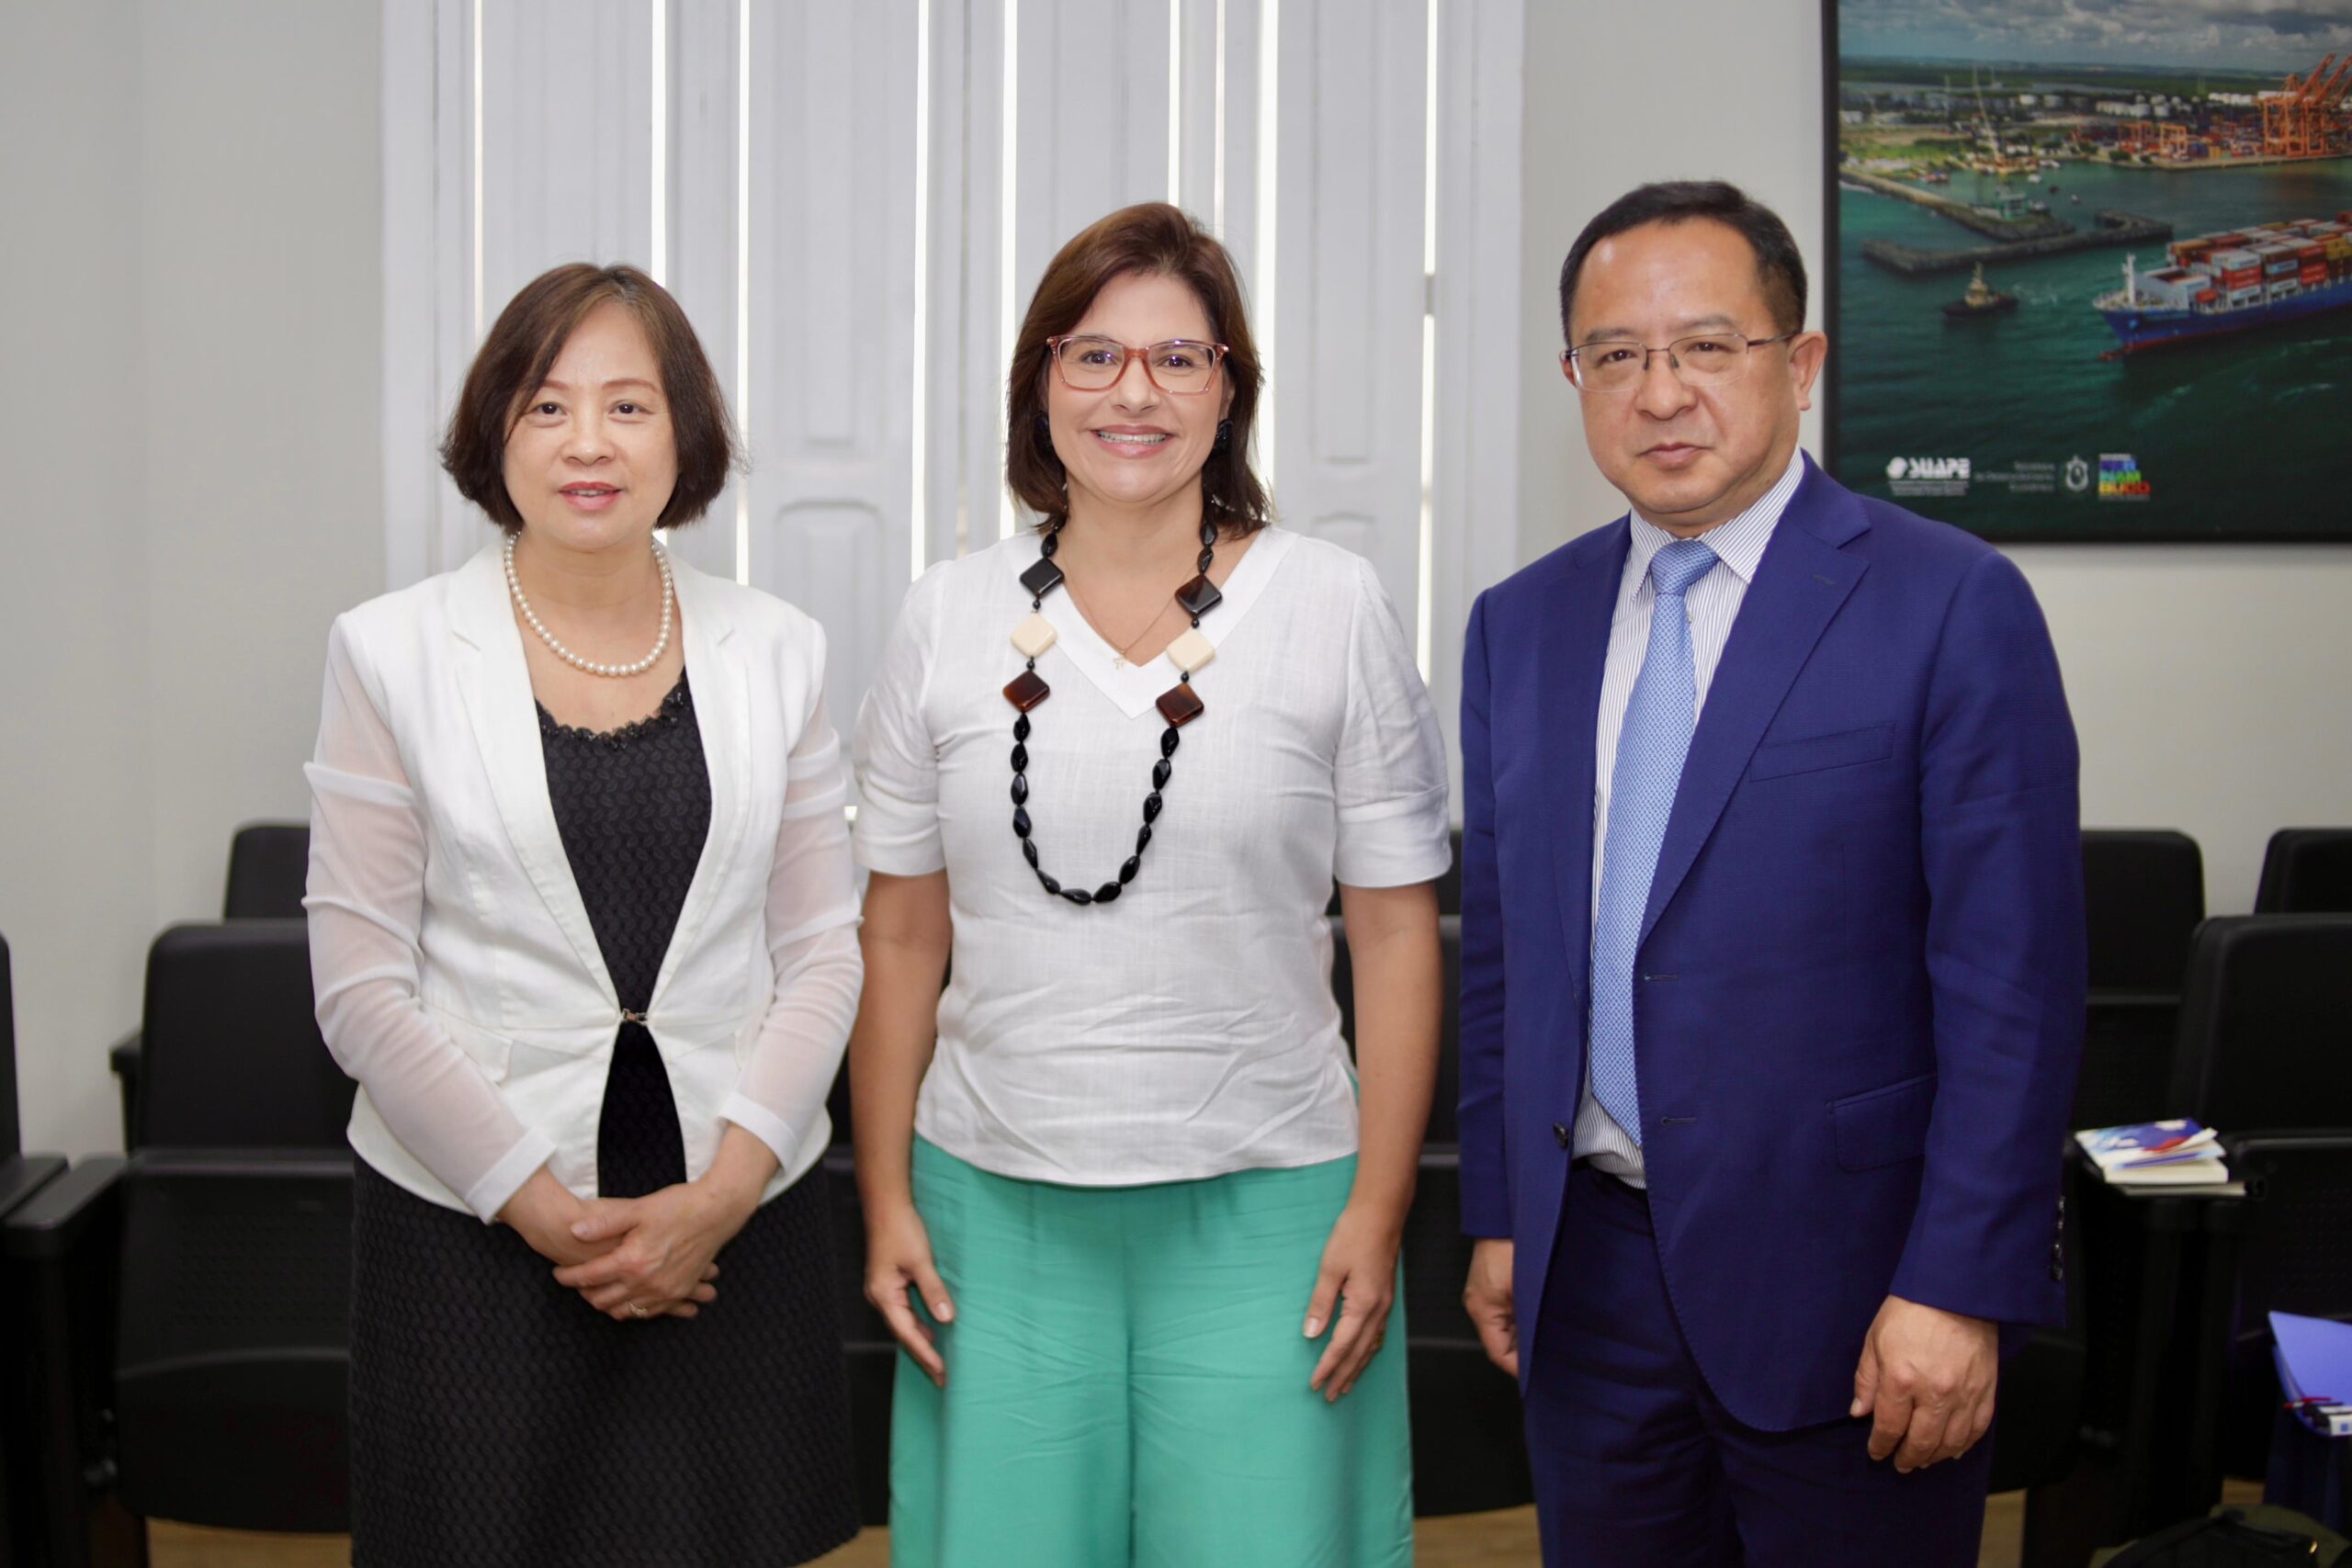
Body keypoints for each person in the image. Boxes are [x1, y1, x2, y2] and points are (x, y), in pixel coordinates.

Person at [1455, 181, 2085, 1564]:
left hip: (1858, 1294)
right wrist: (1504, 1219)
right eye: (1615, 355)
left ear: (1798, 365)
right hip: (1592, 1284)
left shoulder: (1950, 603)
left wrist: (1959, 1288)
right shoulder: (1521, 626)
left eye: (1708, 348)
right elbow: (1506, 958)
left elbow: (2013, 990)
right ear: (1576, 378)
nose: (1660, 391)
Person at [849, 201, 1447, 1568]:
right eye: (1095, 355)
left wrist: (1380, 1205)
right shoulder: (944, 615)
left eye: (1181, 360)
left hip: (1277, 1204)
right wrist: (885, 1197)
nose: (1136, 393)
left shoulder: (1331, 603)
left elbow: (1398, 937)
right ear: (1039, 383)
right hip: (990, 1205)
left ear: (1229, 390)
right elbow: (898, 938)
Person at [305, 262, 862, 1566]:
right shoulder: (389, 650)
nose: (590, 445)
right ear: (497, 431)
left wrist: (722, 1194)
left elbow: (821, 954)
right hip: (476, 1222)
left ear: (686, 434)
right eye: (548, 408)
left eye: (629, 405)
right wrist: (543, 1210)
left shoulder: (778, 648)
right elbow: (360, 985)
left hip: (728, 1217)